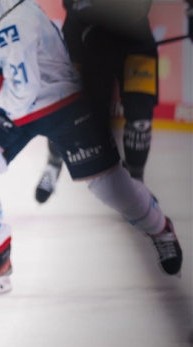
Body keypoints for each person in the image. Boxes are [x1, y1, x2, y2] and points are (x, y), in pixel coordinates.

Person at [0, 0, 182, 296]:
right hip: (11, 94)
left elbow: (21, 96)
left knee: (109, 187)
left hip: (59, 102)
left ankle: (160, 227)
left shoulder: (16, 18)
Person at [35, 0, 158, 203]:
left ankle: (136, 182)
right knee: (66, 104)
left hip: (134, 35)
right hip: (81, 33)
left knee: (140, 113)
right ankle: (54, 163)